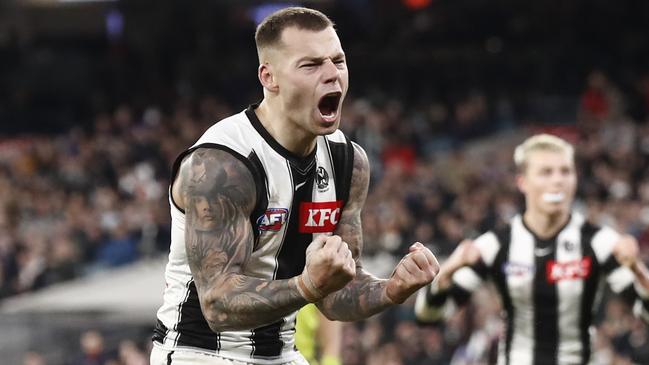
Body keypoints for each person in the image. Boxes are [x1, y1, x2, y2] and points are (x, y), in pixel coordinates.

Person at [150, 7, 439, 365]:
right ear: (269, 77)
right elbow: (218, 307)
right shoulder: (222, 166)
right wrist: (307, 285)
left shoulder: (348, 163)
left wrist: (392, 289)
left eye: (338, 61)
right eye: (312, 65)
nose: (332, 75)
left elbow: (335, 296)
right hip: (200, 353)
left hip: (285, 354)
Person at [415, 134, 649, 365]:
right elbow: (429, 316)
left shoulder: (600, 242)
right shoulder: (495, 244)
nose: (558, 180)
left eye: (565, 171)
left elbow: (644, 312)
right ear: (522, 181)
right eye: (546, 172)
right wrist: (448, 270)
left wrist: (638, 270)